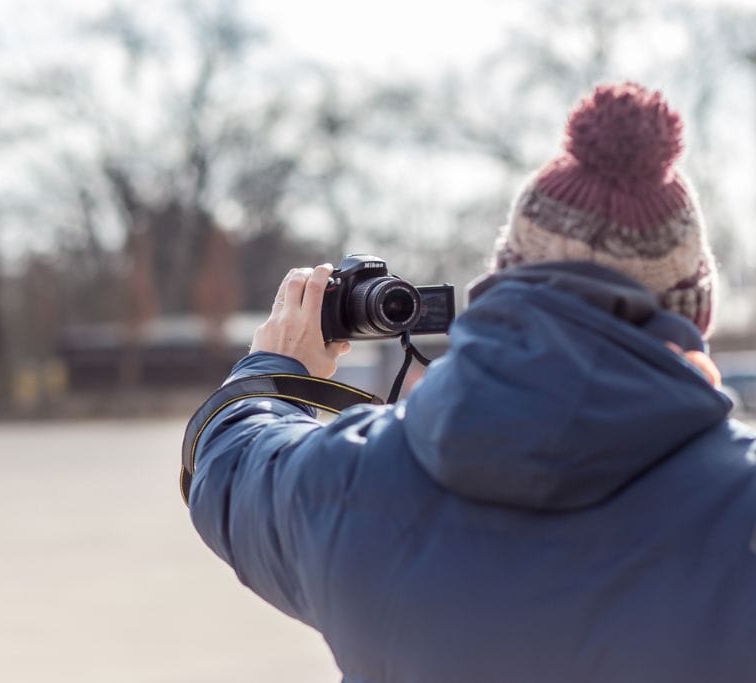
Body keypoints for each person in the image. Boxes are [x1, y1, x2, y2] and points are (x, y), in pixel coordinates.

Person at [185, 82, 756, 682]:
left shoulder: (350, 482)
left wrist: (276, 368)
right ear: (692, 314)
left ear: (504, 283)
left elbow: (226, 463)